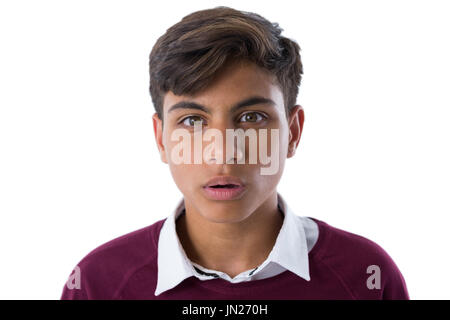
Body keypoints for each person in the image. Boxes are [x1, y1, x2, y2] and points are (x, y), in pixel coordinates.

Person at [61, 6, 409, 300]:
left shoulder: (365, 277)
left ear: (293, 132)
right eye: (193, 120)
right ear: (161, 137)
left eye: (252, 118)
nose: (222, 155)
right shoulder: (99, 283)